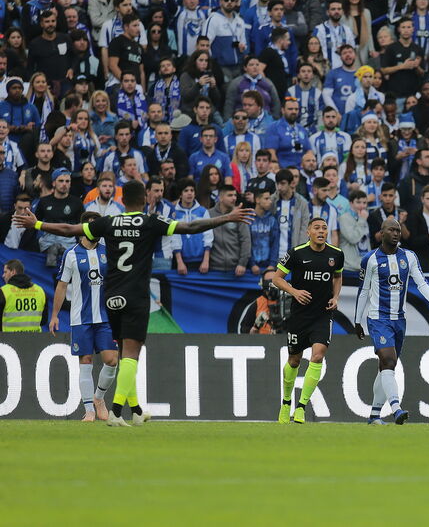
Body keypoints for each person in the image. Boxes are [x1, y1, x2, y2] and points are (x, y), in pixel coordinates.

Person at [14, 180, 253, 426]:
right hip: (136, 295)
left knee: (121, 353)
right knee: (131, 354)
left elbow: (69, 229)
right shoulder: (150, 222)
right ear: (146, 198)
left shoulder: (108, 222)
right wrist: (227, 218)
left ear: (123, 200)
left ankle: (136, 410)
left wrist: (38, 224)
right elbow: (191, 226)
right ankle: (117, 411)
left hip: (112, 298)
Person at [356, 217, 429, 424]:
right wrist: (357, 321)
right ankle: (396, 408)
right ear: (381, 233)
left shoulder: (409, 257)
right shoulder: (371, 259)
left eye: (398, 230)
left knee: (386, 368)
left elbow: (421, 281)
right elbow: (364, 290)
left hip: (399, 320)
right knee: (388, 360)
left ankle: (375, 415)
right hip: (378, 318)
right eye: (391, 230)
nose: (396, 233)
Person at [273, 217, 348, 424]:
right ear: (308, 232)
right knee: (294, 360)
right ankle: (286, 402)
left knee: (317, 356)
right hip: (299, 316)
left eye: (324, 228)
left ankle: (301, 407)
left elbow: (337, 277)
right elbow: (276, 278)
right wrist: (294, 291)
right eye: (317, 228)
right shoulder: (297, 253)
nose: (321, 231)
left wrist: (335, 297)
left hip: (322, 315)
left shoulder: (336, 254)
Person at [50, 211, 119, 421]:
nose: (96, 230)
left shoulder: (108, 252)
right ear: (83, 229)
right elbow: (62, 286)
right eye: (92, 226)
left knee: (111, 360)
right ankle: (89, 409)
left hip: (106, 317)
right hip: (81, 318)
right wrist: (54, 315)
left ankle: (99, 398)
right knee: (86, 361)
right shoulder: (71, 254)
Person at [0, 258, 47, 333]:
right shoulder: (40, 290)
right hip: (34, 339)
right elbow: (44, 320)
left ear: (13, 272)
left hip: (9, 339)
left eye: (5, 272)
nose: (3, 275)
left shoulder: (3, 291)